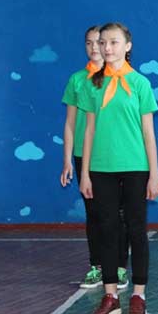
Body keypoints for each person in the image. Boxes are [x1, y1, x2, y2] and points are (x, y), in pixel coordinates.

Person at [79, 22, 158, 314]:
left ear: (127, 46)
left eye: (113, 42)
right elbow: (89, 131)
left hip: (136, 167)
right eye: (103, 42)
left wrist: (154, 174)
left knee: (136, 230)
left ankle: (138, 295)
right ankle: (111, 296)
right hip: (101, 168)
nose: (106, 48)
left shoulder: (140, 84)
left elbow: (148, 132)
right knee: (107, 230)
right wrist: (85, 172)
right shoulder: (92, 84)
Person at [60, 26, 130, 290]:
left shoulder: (122, 79)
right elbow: (70, 124)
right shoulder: (78, 80)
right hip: (85, 156)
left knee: (118, 214)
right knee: (94, 213)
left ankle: (119, 267)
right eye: (88, 43)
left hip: (113, 156)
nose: (94, 48)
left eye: (99, 42)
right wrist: (68, 159)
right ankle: (97, 266)